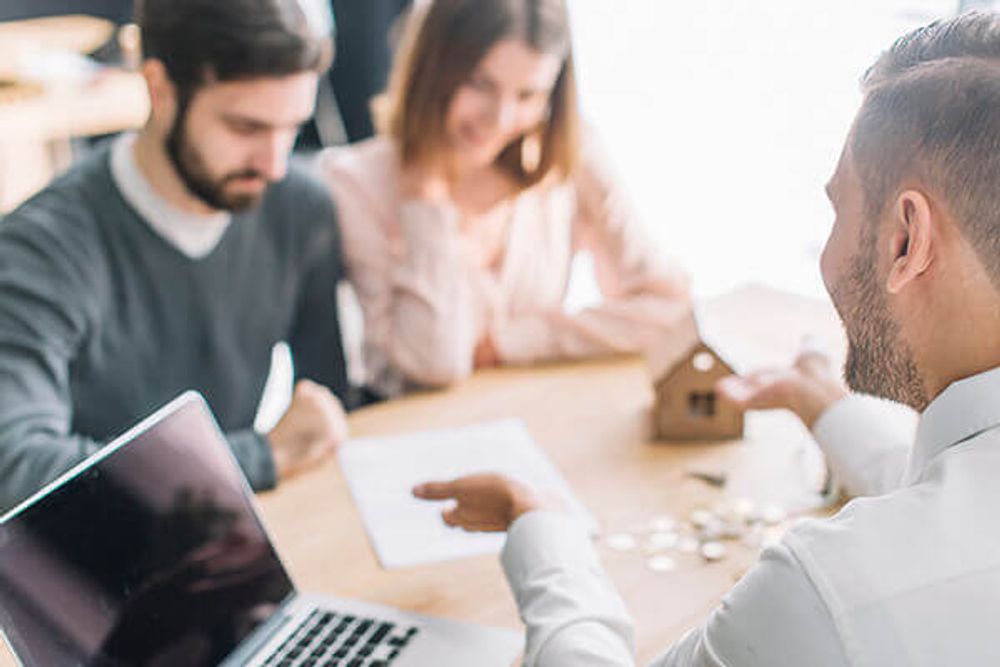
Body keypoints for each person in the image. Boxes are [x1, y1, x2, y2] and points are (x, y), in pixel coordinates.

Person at [413, 12, 1000, 665]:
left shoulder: (827, 592)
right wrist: (827, 409)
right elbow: (949, 497)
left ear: (906, 240)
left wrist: (547, 532)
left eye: (837, 208)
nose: (826, 252)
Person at [0, 0, 351, 512]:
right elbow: (18, 469)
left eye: (292, 127)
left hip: (231, 530)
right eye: (246, 128)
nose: (274, 164)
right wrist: (257, 457)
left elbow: (328, 410)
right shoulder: (43, 249)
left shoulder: (300, 208)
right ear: (159, 88)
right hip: (90, 561)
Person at [319, 0, 690, 398]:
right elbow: (432, 365)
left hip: (534, 422)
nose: (500, 120)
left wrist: (509, 343)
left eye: (529, 95)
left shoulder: (572, 158)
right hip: (414, 435)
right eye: (481, 83)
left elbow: (671, 311)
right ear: (433, 67)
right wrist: (425, 200)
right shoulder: (354, 182)